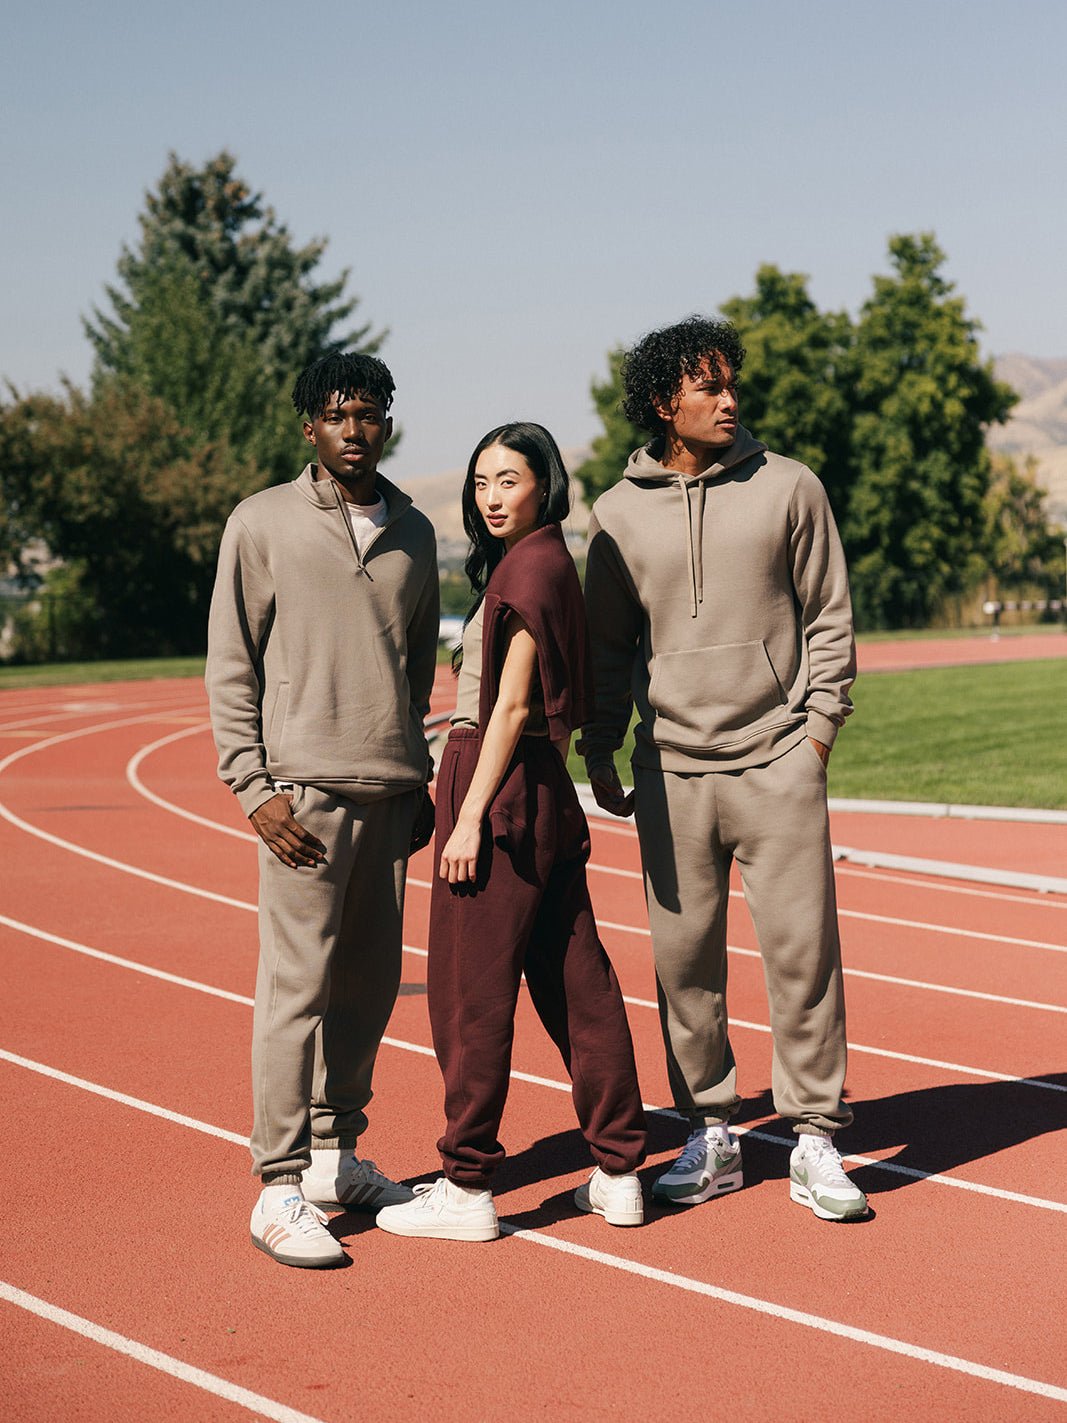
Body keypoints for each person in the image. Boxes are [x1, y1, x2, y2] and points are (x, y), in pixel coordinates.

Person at [578, 317, 869, 1222]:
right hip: (671, 770)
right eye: (707, 387)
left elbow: (828, 617)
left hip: (777, 760)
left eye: (730, 382)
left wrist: (815, 733)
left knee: (802, 954)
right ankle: (712, 1130)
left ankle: (815, 1134)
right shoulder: (616, 513)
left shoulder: (790, 486)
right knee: (683, 964)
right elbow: (606, 646)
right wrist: (600, 745)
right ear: (663, 402)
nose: (729, 398)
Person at [376, 423, 647, 1242]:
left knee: (470, 997)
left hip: (494, 790)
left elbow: (514, 707)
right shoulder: (552, 559)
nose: (492, 497)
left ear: (544, 484)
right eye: (482, 482)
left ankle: (466, 1186)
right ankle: (619, 1171)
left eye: (509, 480)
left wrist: (465, 817)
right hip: (541, 794)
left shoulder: (527, 569)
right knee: (579, 986)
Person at [206, 351, 440, 1267]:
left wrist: (416, 773)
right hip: (299, 795)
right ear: (309, 425)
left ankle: (336, 1156)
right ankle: (277, 1182)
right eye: (337, 413)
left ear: (385, 422)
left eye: (369, 412)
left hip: (388, 786)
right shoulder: (261, 522)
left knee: (369, 988)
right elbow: (233, 662)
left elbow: (417, 669)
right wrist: (253, 787)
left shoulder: (416, 532)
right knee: (294, 990)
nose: (354, 427)